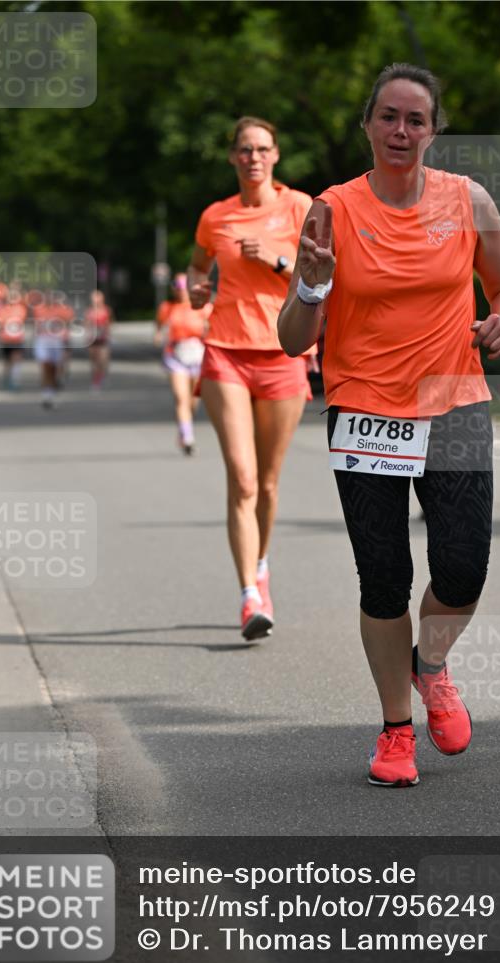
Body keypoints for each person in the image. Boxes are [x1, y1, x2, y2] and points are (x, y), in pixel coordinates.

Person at [278, 64, 500, 787]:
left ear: (433, 130)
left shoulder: (466, 199)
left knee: (462, 566)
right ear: (367, 125)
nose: (400, 131)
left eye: (414, 119)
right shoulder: (331, 210)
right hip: (363, 409)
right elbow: (294, 338)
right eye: (387, 116)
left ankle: (432, 667)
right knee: (383, 577)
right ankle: (394, 731)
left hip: (453, 400)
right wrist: (312, 282)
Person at [188, 116, 312, 641]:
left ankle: (261, 564)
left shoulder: (300, 207)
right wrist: (196, 290)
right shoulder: (215, 217)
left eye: (262, 148)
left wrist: (280, 261)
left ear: (276, 155)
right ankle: (248, 596)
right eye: (244, 149)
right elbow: (196, 269)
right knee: (241, 477)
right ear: (233, 157)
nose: (253, 157)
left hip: (283, 352)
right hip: (225, 353)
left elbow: (326, 274)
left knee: (266, 481)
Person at [155, 273, 211, 455]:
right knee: (181, 398)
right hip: (175, 356)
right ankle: (187, 437)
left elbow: (212, 327)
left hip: (198, 355)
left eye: (183, 289)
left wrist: (206, 332)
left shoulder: (202, 307)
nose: (180, 293)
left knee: (193, 400)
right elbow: (159, 326)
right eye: (177, 289)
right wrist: (159, 335)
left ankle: (185, 427)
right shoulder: (167, 307)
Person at [32, 295, 74, 409]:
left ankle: (51, 392)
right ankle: (46, 395)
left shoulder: (61, 310)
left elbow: (69, 322)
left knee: (54, 370)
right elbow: (35, 326)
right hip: (43, 341)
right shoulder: (38, 310)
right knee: (46, 367)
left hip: (56, 341)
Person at [0, 288, 28, 389]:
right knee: (7, 361)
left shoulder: (21, 309)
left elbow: (21, 322)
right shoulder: (2, 310)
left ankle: (15, 381)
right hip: (6, 339)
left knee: (16, 359)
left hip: (17, 339)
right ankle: (6, 379)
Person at [84, 290, 113, 390]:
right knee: (94, 361)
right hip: (92, 340)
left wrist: (108, 334)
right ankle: (95, 379)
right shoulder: (89, 312)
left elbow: (109, 324)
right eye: (94, 299)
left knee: (102, 360)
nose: (96, 301)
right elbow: (86, 325)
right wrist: (87, 336)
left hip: (103, 339)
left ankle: (100, 377)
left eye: (98, 299)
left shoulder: (106, 310)